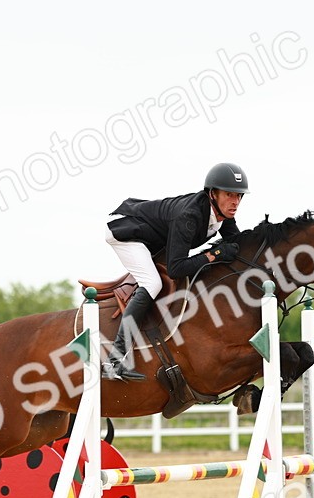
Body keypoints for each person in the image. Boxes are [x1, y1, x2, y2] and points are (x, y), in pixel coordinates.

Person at [101, 162, 249, 381]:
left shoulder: (222, 214)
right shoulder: (189, 216)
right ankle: (114, 360)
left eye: (239, 196)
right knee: (153, 283)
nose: (235, 202)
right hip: (126, 230)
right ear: (213, 194)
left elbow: (239, 245)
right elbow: (176, 268)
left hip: (151, 235)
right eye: (229, 195)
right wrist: (214, 254)